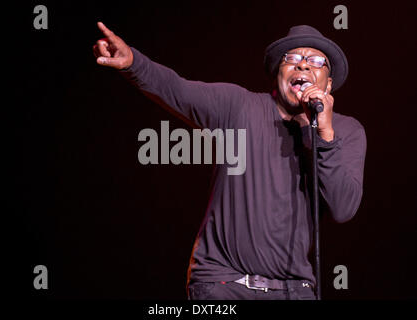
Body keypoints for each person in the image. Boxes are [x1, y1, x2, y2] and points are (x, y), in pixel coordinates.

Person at [93, 23, 366, 300]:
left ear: (328, 84)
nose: (304, 66)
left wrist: (324, 135)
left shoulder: (346, 130)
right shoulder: (239, 107)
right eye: (292, 59)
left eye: (316, 62)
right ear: (278, 74)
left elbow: (342, 207)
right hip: (224, 286)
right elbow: (177, 89)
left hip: (294, 292)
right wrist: (133, 63)